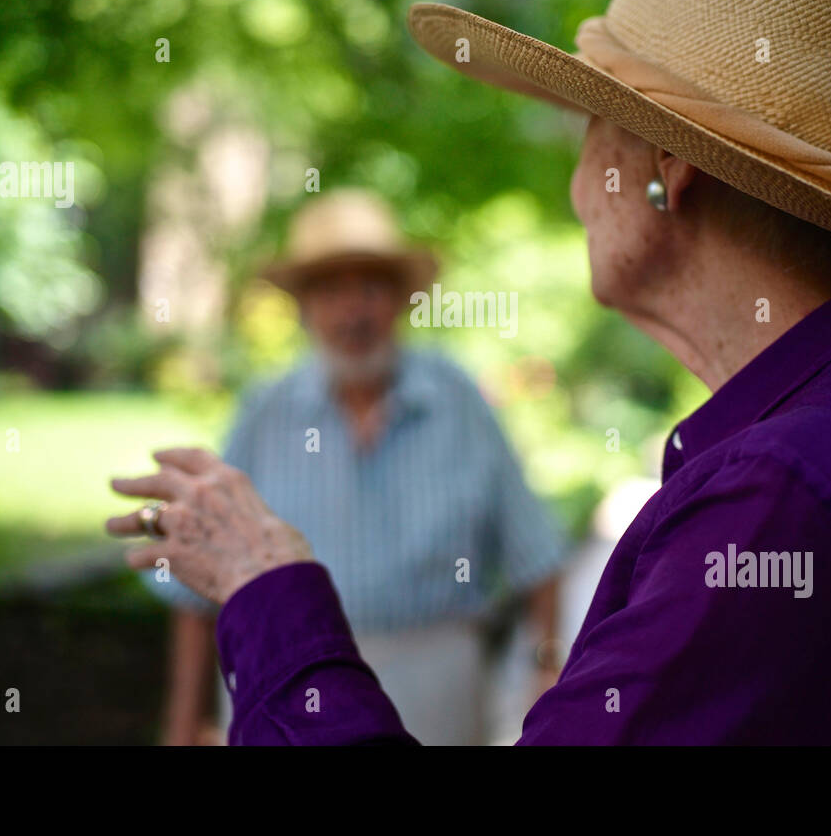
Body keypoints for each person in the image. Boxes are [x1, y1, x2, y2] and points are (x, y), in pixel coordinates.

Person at [108, 0, 831, 744]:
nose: (578, 185)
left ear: (662, 170)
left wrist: (268, 589)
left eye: (591, 124)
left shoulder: (776, 500)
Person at [143, 188, 566, 746]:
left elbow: (536, 557)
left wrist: (548, 673)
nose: (352, 311)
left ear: (399, 299)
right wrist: (180, 730)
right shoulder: (265, 412)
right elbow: (195, 600)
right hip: (290, 688)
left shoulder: (456, 400)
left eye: (370, 287)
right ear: (304, 307)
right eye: (330, 290)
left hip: (437, 690)